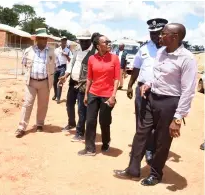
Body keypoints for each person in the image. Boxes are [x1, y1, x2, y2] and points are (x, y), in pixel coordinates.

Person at [114, 23, 197, 186]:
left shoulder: (187, 58)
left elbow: (188, 90)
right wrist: (149, 84)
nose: (160, 36)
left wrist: (178, 118)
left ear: (174, 37)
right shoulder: (160, 52)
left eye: (163, 33)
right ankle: (132, 169)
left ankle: (156, 174)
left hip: (170, 103)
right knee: (141, 133)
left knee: (162, 140)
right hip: (152, 98)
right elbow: (158, 76)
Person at [126, 18, 168, 164]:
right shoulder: (143, 48)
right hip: (142, 90)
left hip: (161, 92)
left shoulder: (170, 49)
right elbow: (136, 68)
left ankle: (152, 149)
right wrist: (130, 85)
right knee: (141, 122)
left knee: (157, 124)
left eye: (157, 33)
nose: (155, 36)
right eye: (152, 33)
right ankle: (143, 149)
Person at [78, 34, 120, 156]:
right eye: (106, 42)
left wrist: (113, 96)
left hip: (107, 95)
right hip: (93, 93)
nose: (109, 44)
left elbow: (116, 79)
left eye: (109, 41)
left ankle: (106, 142)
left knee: (104, 121)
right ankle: (90, 148)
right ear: (98, 46)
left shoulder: (114, 58)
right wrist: (86, 94)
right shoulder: (92, 59)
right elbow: (89, 78)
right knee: (90, 121)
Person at [15, 28, 56, 138]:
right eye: (42, 38)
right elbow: (24, 63)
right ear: (37, 39)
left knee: (43, 105)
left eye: (45, 38)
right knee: (27, 104)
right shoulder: (29, 50)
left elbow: (54, 66)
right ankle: (21, 127)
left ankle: (39, 124)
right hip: (31, 82)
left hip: (45, 83)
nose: (44, 40)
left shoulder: (51, 51)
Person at [58, 31, 97, 142]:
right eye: (81, 40)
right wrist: (65, 75)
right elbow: (71, 63)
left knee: (81, 109)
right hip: (73, 82)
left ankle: (80, 133)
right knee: (69, 104)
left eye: (85, 41)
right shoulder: (77, 50)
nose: (83, 43)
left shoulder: (94, 52)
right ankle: (71, 123)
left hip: (84, 85)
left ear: (90, 40)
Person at [52, 36, 72, 104]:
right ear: (61, 41)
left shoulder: (68, 50)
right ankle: (55, 94)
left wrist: (66, 55)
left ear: (66, 42)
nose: (64, 42)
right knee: (54, 82)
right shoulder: (57, 49)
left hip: (63, 67)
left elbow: (70, 60)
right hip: (56, 67)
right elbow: (54, 58)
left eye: (65, 41)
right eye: (63, 40)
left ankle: (58, 98)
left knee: (60, 82)